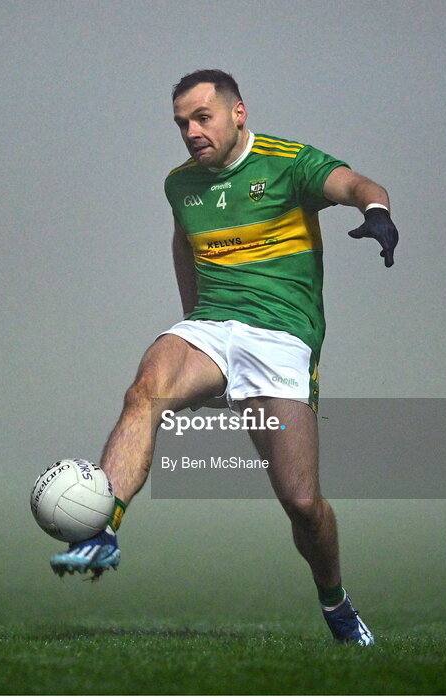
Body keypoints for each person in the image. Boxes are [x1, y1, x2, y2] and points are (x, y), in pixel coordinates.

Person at [50, 69, 398, 646]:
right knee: (144, 392)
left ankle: (336, 604)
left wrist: (378, 213)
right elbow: (183, 243)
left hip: (281, 337)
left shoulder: (290, 163)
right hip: (211, 327)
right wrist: (191, 324)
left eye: (201, 117)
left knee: (303, 503)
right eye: (181, 122)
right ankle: (101, 529)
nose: (190, 131)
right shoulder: (180, 185)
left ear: (238, 114)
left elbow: (358, 184)